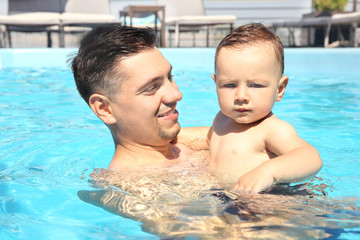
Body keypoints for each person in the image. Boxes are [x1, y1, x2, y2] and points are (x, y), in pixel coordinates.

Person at [71, 24, 208, 173]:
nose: (176, 95)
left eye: (170, 77)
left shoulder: (185, 146)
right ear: (105, 109)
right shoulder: (133, 189)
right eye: (151, 88)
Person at [206, 23, 323, 193]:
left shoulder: (271, 129)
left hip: (266, 203)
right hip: (226, 198)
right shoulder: (221, 119)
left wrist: (268, 172)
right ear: (216, 83)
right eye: (230, 85)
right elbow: (208, 140)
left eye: (255, 85)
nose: (241, 96)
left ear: (280, 89)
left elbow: (311, 157)